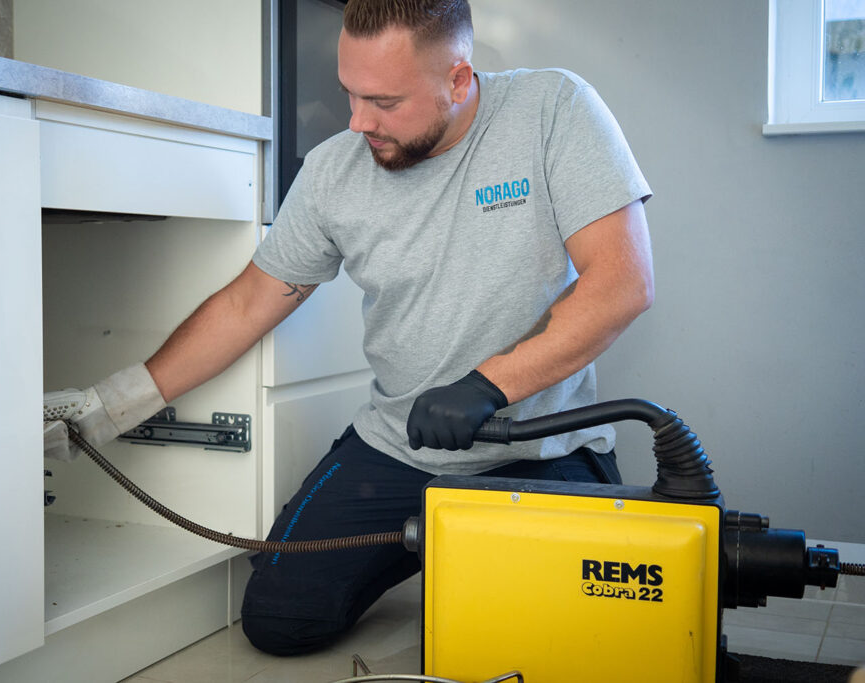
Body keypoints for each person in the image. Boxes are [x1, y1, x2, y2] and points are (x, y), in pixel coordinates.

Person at [44, 0, 653, 657]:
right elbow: (248, 303)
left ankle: (463, 550)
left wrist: (487, 386)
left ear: (457, 79)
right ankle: (435, 540)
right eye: (350, 95)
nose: (359, 121)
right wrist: (108, 407)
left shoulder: (551, 108)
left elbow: (621, 285)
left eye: (384, 102)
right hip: (401, 445)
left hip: (542, 445)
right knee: (279, 620)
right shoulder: (333, 171)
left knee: (550, 640)